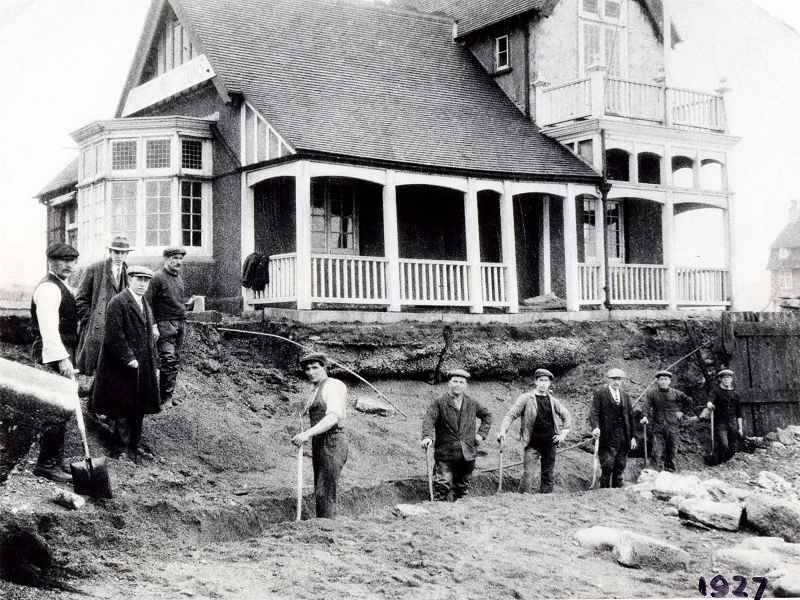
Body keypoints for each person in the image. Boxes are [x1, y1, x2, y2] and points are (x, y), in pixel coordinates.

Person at [1, 242, 80, 484]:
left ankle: (55, 459)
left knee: (63, 406)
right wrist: (63, 358)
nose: (68, 265)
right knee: (53, 407)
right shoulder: (48, 288)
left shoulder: (62, 286)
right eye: (62, 260)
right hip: (52, 353)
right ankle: (46, 464)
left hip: (63, 350)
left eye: (72, 261)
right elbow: (48, 329)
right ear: (51, 262)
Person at [90, 266, 161, 463]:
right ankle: (120, 450)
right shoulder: (118, 302)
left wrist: (153, 362)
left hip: (142, 364)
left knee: (138, 407)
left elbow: (148, 336)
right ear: (130, 279)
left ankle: (134, 446)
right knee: (121, 407)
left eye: (146, 281)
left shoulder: (144, 303)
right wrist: (129, 358)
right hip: (120, 366)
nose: (142, 284)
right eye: (139, 279)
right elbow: (114, 335)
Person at [291, 353, 349, 519]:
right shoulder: (314, 390)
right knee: (320, 488)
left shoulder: (333, 385)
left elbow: (332, 417)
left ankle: (327, 527)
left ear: (325, 368)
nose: (310, 372)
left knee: (326, 488)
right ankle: (322, 523)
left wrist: (307, 434)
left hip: (333, 441)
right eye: (307, 369)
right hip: (319, 442)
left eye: (315, 367)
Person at [420, 369, 492, 501]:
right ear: (449, 383)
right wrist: (427, 437)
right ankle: (439, 508)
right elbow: (429, 419)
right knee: (443, 483)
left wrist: (481, 434)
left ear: (465, 385)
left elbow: (487, 416)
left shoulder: (472, 403)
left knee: (462, 485)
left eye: (461, 382)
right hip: (446, 451)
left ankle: (460, 509)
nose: (458, 384)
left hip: (467, 452)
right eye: (455, 381)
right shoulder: (439, 402)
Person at [497, 369, 571, 494]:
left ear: (549, 383)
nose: (543, 383)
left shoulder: (553, 401)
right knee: (528, 474)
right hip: (532, 443)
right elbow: (511, 415)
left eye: (546, 381)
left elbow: (566, 415)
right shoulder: (526, 398)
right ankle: (521, 499)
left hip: (550, 442)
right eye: (540, 380)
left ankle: (545, 500)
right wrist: (503, 430)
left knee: (548, 474)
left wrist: (563, 433)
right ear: (535, 382)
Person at [145, 247, 196, 406]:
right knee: (168, 359)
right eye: (174, 258)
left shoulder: (178, 278)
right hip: (164, 325)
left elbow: (175, 301)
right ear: (166, 259)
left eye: (180, 258)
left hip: (180, 324)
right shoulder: (157, 278)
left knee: (175, 360)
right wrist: (153, 325)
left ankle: (165, 396)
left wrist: (187, 305)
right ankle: (162, 399)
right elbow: (147, 303)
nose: (178, 262)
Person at [75, 235, 131, 377]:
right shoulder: (95, 269)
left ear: (127, 254)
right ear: (110, 252)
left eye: (123, 253)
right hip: (97, 327)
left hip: (117, 327)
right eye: (116, 252)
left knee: (114, 367)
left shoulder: (128, 272)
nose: (119, 255)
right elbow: (81, 298)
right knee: (92, 366)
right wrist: (90, 319)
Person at [590, 368, 637, 488]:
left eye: (619, 379)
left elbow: (630, 417)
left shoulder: (625, 396)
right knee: (607, 465)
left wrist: (632, 437)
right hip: (607, 436)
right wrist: (595, 427)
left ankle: (617, 490)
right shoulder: (600, 393)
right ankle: (604, 490)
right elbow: (594, 412)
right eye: (614, 379)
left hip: (623, 436)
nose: (616, 382)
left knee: (620, 464)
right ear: (608, 380)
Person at [640, 370, 694, 472]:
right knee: (656, 450)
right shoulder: (652, 393)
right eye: (661, 379)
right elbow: (646, 406)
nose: (663, 381)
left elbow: (689, 401)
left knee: (672, 449)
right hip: (658, 425)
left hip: (673, 425)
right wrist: (644, 416)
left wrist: (682, 412)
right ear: (657, 381)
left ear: (669, 381)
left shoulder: (676, 393)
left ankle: (670, 471)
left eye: (666, 379)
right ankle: (653, 472)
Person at [706, 369, 743, 465]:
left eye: (729, 378)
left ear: (731, 379)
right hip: (721, 422)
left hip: (733, 422)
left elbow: (739, 412)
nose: (727, 380)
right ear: (721, 379)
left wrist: (740, 428)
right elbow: (710, 399)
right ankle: (720, 462)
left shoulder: (736, 394)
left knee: (733, 446)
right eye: (725, 378)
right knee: (724, 444)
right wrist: (709, 404)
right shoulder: (716, 391)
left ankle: (728, 463)